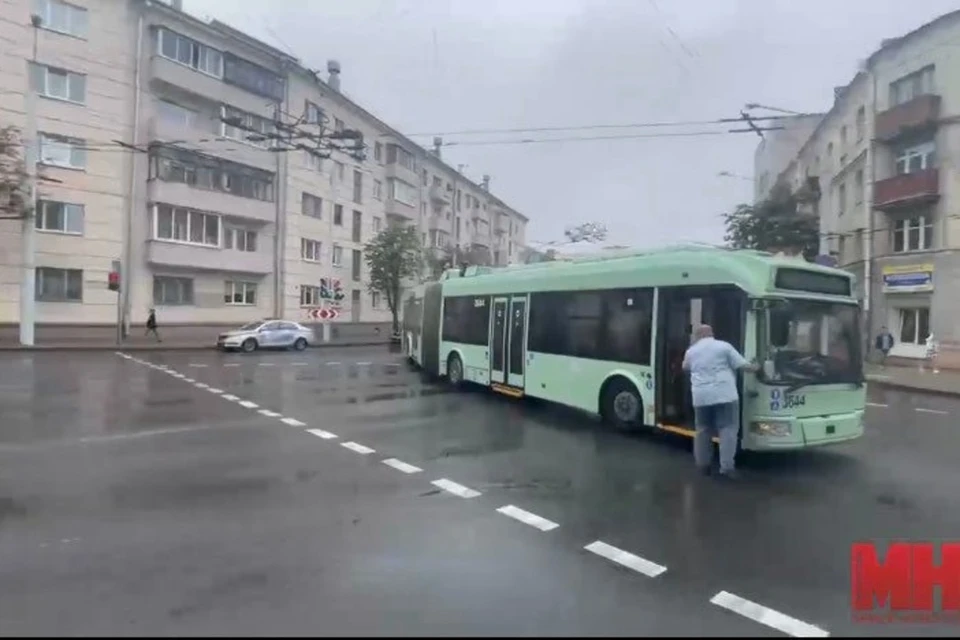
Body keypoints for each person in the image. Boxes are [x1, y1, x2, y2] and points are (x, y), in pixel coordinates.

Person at [682, 324, 758, 479]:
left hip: (701, 397)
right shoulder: (723, 347)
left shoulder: (691, 351)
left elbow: (685, 367)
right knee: (728, 430)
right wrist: (757, 367)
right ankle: (726, 468)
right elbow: (743, 366)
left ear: (697, 336)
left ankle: (703, 466)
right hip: (725, 395)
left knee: (703, 431)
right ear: (711, 333)